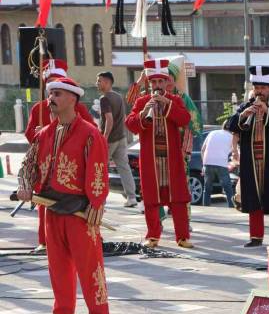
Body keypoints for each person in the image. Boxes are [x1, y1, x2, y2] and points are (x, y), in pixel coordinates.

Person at [16, 77, 111, 314]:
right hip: (51, 207)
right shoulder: (44, 133)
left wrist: (96, 202)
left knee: (89, 265)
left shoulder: (90, 133)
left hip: (80, 210)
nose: (51, 99)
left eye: (57, 94)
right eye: (50, 94)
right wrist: (25, 185)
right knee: (57, 266)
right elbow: (28, 165)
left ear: (72, 98)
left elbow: (99, 169)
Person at [25, 59, 96, 254]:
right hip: (46, 165)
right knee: (44, 203)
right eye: (51, 89)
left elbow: (93, 132)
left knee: (75, 209)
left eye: (58, 88)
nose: (53, 95)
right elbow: (29, 134)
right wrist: (38, 133)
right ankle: (44, 240)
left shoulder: (78, 109)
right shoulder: (38, 108)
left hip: (71, 167)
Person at [125, 58, 193, 249]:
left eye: (160, 81)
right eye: (153, 82)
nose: (157, 85)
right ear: (150, 83)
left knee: (178, 198)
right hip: (150, 159)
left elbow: (185, 119)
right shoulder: (142, 101)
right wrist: (143, 114)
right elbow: (130, 124)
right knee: (151, 199)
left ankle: (182, 236)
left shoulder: (175, 100)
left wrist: (167, 105)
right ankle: (153, 235)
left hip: (172, 159)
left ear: (167, 82)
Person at [227, 66, 269, 247]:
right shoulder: (246, 106)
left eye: (263, 88)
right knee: (253, 198)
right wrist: (243, 115)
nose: (260, 91)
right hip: (251, 162)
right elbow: (231, 125)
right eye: (257, 87)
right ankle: (256, 237)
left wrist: (266, 111)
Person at [96, 71, 137, 208]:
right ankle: (132, 197)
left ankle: (101, 200)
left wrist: (104, 137)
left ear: (107, 82)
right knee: (124, 167)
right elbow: (123, 117)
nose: (97, 83)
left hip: (110, 139)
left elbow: (109, 120)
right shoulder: (119, 97)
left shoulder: (104, 98)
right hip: (121, 137)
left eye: (99, 80)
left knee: (101, 169)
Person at [201, 128, 234, 207]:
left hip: (207, 162)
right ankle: (232, 206)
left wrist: (203, 165)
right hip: (221, 163)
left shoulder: (212, 132)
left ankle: (206, 207)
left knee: (207, 188)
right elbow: (235, 152)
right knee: (228, 188)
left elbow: (203, 149)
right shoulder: (232, 136)